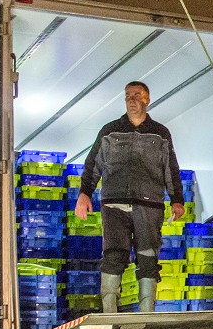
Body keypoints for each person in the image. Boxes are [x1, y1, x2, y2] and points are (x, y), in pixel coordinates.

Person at [76, 81, 186, 313]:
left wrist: (177, 199)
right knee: (114, 254)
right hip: (114, 203)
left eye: (137, 95)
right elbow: (93, 164)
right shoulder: (110, 130)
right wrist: (84, 193)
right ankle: (109, 312)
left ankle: (146, 312)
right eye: (127, 95)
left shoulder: (160, 133)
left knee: (148, 256)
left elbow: (171, 168)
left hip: (150, 205)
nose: (132, 99)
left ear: (147, 100)